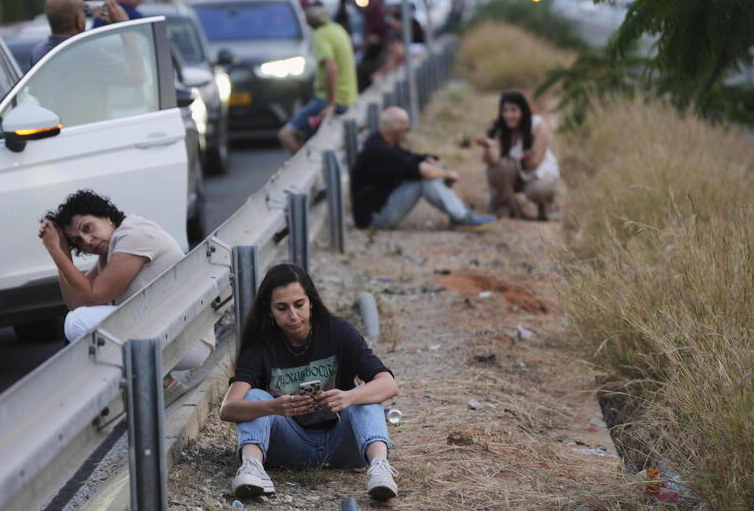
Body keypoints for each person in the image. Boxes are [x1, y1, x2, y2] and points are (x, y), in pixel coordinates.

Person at [219, 264, 401, 501]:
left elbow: (389, 384)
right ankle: (252, 467)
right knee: (254, 397)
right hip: (289, 446)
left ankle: (379, 468)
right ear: (270, 311)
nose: (293, 315)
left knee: (364, 395)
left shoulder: (339, 331)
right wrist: (273, 407)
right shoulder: (260, 346)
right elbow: (228, 408)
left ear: (311, 302)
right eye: (282, 308)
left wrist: (348, 397)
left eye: (299, 305)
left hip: (343, 443)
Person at [37, 190, 212, 371]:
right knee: (78, 318)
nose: (87, 240)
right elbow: (76, 302)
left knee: (76, 322)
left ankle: (140, 381)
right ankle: (151, 380)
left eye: (87, 228)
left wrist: (54, 251)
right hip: (170, 333)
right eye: (77, 240)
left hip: (187, 342)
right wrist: (63, 251)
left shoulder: (134, 236)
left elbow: (93, 295)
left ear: (105, 217)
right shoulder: (115, 247)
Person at [352, 107, 496, 230]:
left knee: (427, 173)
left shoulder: (379, 141)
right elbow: (418, 170)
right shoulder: (379, 150)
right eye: (405, 130)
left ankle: (460, 214)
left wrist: (429, 160)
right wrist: (446, 173)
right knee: (423, 179)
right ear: (396, 130)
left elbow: (406, 157)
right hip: (375, 219)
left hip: (380, 206)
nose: (405, 134)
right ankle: (462, 217)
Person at [278, 0, 358, 154]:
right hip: (349, 98)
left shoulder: (320, 36)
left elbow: (331, 68)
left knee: (286, 135)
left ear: (307, 17)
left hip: (332, 101)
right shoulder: (337, 29)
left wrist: (330, 105)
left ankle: (305, 170)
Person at [474, 92, 561, 220]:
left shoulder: (537, 125)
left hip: (535, 172)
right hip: (512, 175)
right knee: (500, 166)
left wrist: (526, 159)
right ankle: (505, 207)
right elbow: (494, 161)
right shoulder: (499, 128)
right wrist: (488, 146)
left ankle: (547, 206)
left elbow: (535, 162)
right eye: (505, 111)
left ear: (522, 110)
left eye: (514, 110)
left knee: (539, 190)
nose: (509, 115)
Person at [29, 0, 129, 67]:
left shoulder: (39, 52)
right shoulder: (90, 55)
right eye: (83, 10)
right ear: (79, 21)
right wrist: (125, 28)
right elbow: (136, 76)